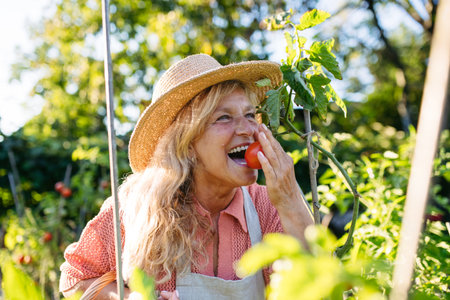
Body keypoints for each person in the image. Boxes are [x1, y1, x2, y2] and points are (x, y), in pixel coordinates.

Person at [59, 54, 314, 300]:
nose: (248, 129)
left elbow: (313, 288)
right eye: (224, 117)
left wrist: (291, 200)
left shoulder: (266, 206)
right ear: (187, 143)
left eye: (249, 115)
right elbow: (76, 279)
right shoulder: (136, 206)